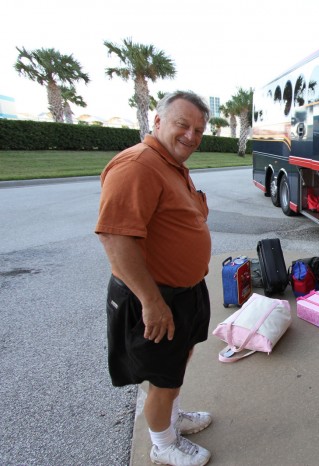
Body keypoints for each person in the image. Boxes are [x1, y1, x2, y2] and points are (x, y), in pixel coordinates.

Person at [95, 91, 213, 466]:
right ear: (158, 121)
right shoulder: (138, 165)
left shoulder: (171, 164)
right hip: (157, 296)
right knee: (164, 377)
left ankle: (172, 418)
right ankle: (163, 445)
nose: (191, 136)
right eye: (183, 124)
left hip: (184, 292)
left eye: (198, 129)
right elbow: (116, 237)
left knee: (176, 365)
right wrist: (152, 302)